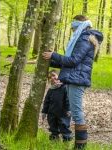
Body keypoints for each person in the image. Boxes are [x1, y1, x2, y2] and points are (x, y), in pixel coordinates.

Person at [42, 16, 103, 149]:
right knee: (76, 112)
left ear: (79, 26)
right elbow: (70, 64)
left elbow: (73, 61)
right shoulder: (82, 39)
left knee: (76, 112)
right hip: (74, 77)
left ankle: (80, 146)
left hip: (78, 80)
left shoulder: (84, 39)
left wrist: (55, 55)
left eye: (73, 28)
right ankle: (80, 145)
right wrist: (51, 60)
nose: (72, 31)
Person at [41, 69, 72, 142]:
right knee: (53, 126)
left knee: (64, 126)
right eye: (50, 77)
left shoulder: (64, 87)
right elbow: (46, 102)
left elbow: (68, 100)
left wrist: (69, 109)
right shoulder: (50, 90)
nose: (52, 78)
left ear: (59, 76)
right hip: (52, 112)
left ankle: (66, 140)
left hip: (63, 112)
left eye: (54, 75)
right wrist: (44, 112)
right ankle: (54, 139)